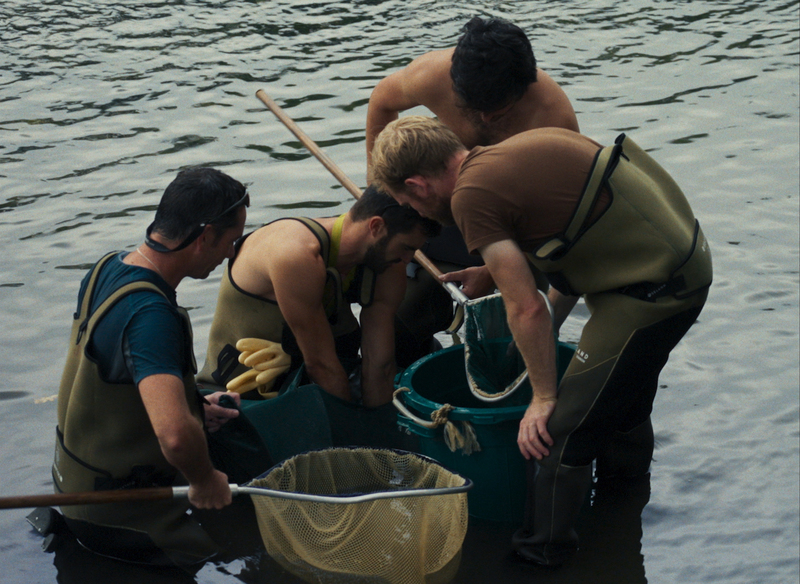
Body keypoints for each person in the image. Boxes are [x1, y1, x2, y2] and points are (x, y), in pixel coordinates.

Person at [370, 116, 712, 567]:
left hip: (654, 291)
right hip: (675, 263)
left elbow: (525, 307)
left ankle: (541, 555)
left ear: (418, 184)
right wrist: (508, 289)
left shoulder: (471, 197)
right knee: (619, 393)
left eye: (403, 201)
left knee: (557, 432)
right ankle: (624, 502)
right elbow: (568, 250)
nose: (412, 210)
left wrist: (544, 397)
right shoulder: (510, 151)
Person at [53, 167, 250, 569]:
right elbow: (176, 438)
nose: (231, 253)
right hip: (119, 515)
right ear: (206, 236)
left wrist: (195, 405)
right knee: (248, 552)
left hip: (70, 485)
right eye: (230, 241)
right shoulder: (150, 315)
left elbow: (116, 382)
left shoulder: (108, 267)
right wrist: (204, 481)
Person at [365, 16, 579, 366]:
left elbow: (557, 225)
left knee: (519, 334)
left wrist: (491, 272)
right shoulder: (431, 75)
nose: (487, 120)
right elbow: (381, 102)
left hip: (521, 229)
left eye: (498, 110)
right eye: (474, 108)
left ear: (522, 88)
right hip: (444, 207)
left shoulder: (555, 124)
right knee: (398, 314)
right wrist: (380, 187)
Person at [197, 186, 440, 408]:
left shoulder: (389, 260)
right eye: (406, 247)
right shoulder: (294, 254)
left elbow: (380, 366)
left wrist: (378, 426)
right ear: (376, 227)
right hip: (237, 401)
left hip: (307, 384)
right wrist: (349, 438)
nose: (409, 260)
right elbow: (322, 367)